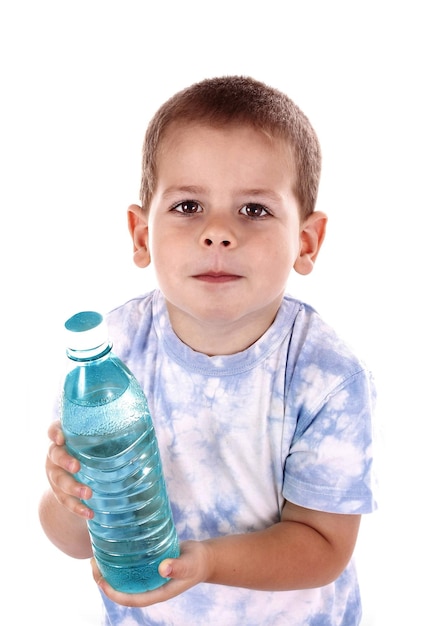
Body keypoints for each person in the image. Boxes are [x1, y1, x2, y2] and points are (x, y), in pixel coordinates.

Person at [39, 75, 377, 625]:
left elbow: (323, 547)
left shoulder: (325, 375)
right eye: (189, 206)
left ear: (307, 242)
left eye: (254, 210)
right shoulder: (111, 360)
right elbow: (75, 542)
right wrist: (69, 499)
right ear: (142, 235)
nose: (218, 233)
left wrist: (208, 563)